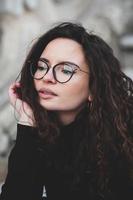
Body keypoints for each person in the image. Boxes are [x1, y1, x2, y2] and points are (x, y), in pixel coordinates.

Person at [0, 22, 133, 200]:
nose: (46, 77)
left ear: (94, 88)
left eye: (66, 70)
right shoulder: (42, 132)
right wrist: (27, 122)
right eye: (41, 66)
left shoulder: (123, 133)